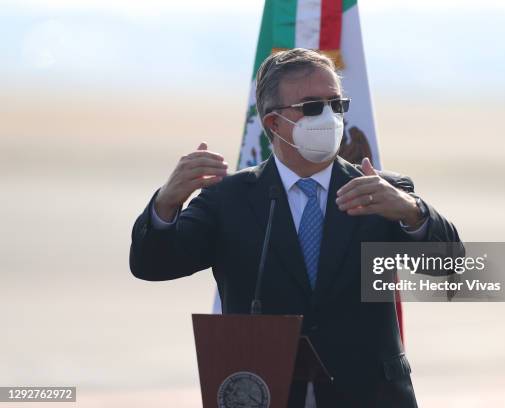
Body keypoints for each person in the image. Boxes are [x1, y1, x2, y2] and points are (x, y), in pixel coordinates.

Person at [130, 48, 461, 407]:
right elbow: (152, 265)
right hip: (267, 392)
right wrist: (166, 203)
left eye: (336, 105)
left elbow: (452, 268)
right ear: (273, 123)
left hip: (368, 395)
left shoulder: (381, 192)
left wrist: (412, 213)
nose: (330, 117)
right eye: (312, 107)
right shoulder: (228, 200)